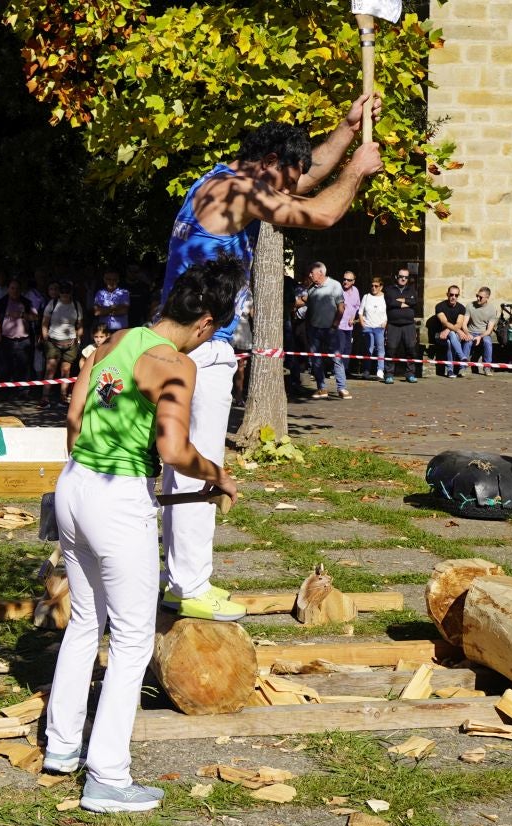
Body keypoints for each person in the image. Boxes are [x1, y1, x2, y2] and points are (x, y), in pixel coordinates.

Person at [157, 98, 382, 620]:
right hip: (200, 347)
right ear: (269, 162)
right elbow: (322, 210)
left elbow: (308, 176)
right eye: (284, 177)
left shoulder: (226, 181)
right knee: (198, 467)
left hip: (194, 341)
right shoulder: (236, 189)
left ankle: (180, 578)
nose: (287, 190)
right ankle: (188, 586)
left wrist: (348, 128)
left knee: (185, 465)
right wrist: (359, 169)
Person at [45, 257, 242, 814]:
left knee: (86, 622)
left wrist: (86, 474)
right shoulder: (175, 365)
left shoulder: (114, 340)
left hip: (75, 485)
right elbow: (174, 451)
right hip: (117, 495)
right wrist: (218, 475)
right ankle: (107, 775)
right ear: (205, 324)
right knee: (132, 640)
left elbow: (75, 416)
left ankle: (62, 748)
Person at [300, 262, 344, 398]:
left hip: (330, 329)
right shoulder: (311, 289)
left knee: (336, 358)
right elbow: (309, 310)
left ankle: (342, 388)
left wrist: (335, 325)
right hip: (314, 329)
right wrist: (308, 328)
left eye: (312, 273)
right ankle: (321, 388)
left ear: (320, 272)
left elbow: (341, 307)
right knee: (316, 359)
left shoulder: (335, 285)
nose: (309, 275)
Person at [40, 281, 83, 406]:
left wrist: (78, 338)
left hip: (71, 341)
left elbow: (80, 324)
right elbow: (45, 322)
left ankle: (63, 397)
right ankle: (45, 397)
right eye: (62, 291)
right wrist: (45, 337)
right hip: (53, 340)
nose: (65, 293)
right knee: (50, 369)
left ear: (71, 292)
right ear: (59, 292)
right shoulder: (52, 304)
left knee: (66, 370)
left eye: (67, 291)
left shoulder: (76, 304)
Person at [0, 279, 36, 382]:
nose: (15, 291)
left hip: (24, 341)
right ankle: (4, 393)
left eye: (17, 288)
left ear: (20, 290)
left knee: (23, 368)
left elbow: (35, 317)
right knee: (4, 368)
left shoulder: (27, 303)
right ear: (8, 289)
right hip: (6, 340)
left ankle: (23, 392)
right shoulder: (0, 304)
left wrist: (22, 315)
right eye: (12, 288)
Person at [385, 267, 419, 383]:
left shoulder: (411, 289)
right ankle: (389, 374)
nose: (403, 279)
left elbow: (414, 301)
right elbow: (390, 301)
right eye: (401, 277)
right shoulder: (389, 289)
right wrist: (405, 302)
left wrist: (400, 301)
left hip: (409, 325)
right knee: (391, 349)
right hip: (393, 325)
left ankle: (410, 374)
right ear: (396, 277)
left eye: (406, 277)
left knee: (411, 349)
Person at [434, 285, 472, 377]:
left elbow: (459, 324)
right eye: (451, 294)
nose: (453, 297)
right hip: (440, 335)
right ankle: (462, 356)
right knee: (451, 334)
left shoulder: (461, 308)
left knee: (450, 340)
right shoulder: (440, 306)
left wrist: (450, 329)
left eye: (456, 295)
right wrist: (457, 330)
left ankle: (450, 370)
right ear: (447, 294)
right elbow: (444, 322)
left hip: (452, 335)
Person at [335, 269, 360, 390]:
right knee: (340, 347)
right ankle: (339, 373)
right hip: (339, 325)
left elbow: (357, 306)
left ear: (353, 281)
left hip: (349, 326)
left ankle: (344, 370)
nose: (345, 281)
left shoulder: (355, 291)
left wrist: (353, 317)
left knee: (347, 349)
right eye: (344, 279)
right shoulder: (338, 291)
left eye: (349, 280)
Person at [358, 276, 387, 381]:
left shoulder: (385, 297)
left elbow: (387, 312)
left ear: (381, 287)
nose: (374, 288)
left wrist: (385, 322)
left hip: (379, 327)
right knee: (368, 349)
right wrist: (362, 324)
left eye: (376, 286)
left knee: (380, 348)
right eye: (372, 286)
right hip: (368, 326)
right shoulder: (366, 297)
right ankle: (366, 370)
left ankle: (380, 370)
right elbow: (360, 312)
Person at [467, 287, 499, 375]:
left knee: (488, 342)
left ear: (487, 298)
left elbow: (489, 330)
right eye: (477, 296)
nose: (478, 298)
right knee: (468, 342)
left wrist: (480, 336)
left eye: (480, 297)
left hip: (483, 333)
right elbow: (464, 323)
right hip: (471, 331)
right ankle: (462, 367)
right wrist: (466, 333)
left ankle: (487, 368)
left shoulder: (492, 309)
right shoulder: (470, 305)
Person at [92, 269, 131, 333]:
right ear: (104, 280)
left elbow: (124, 311)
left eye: (114, 280)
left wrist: (104, 311)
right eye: (108, 279)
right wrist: (114, 307)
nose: (111, 282)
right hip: (104, 330)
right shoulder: (99, 293)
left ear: (118, 280)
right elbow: (97, 312)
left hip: (120, 330)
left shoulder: (124, 292)